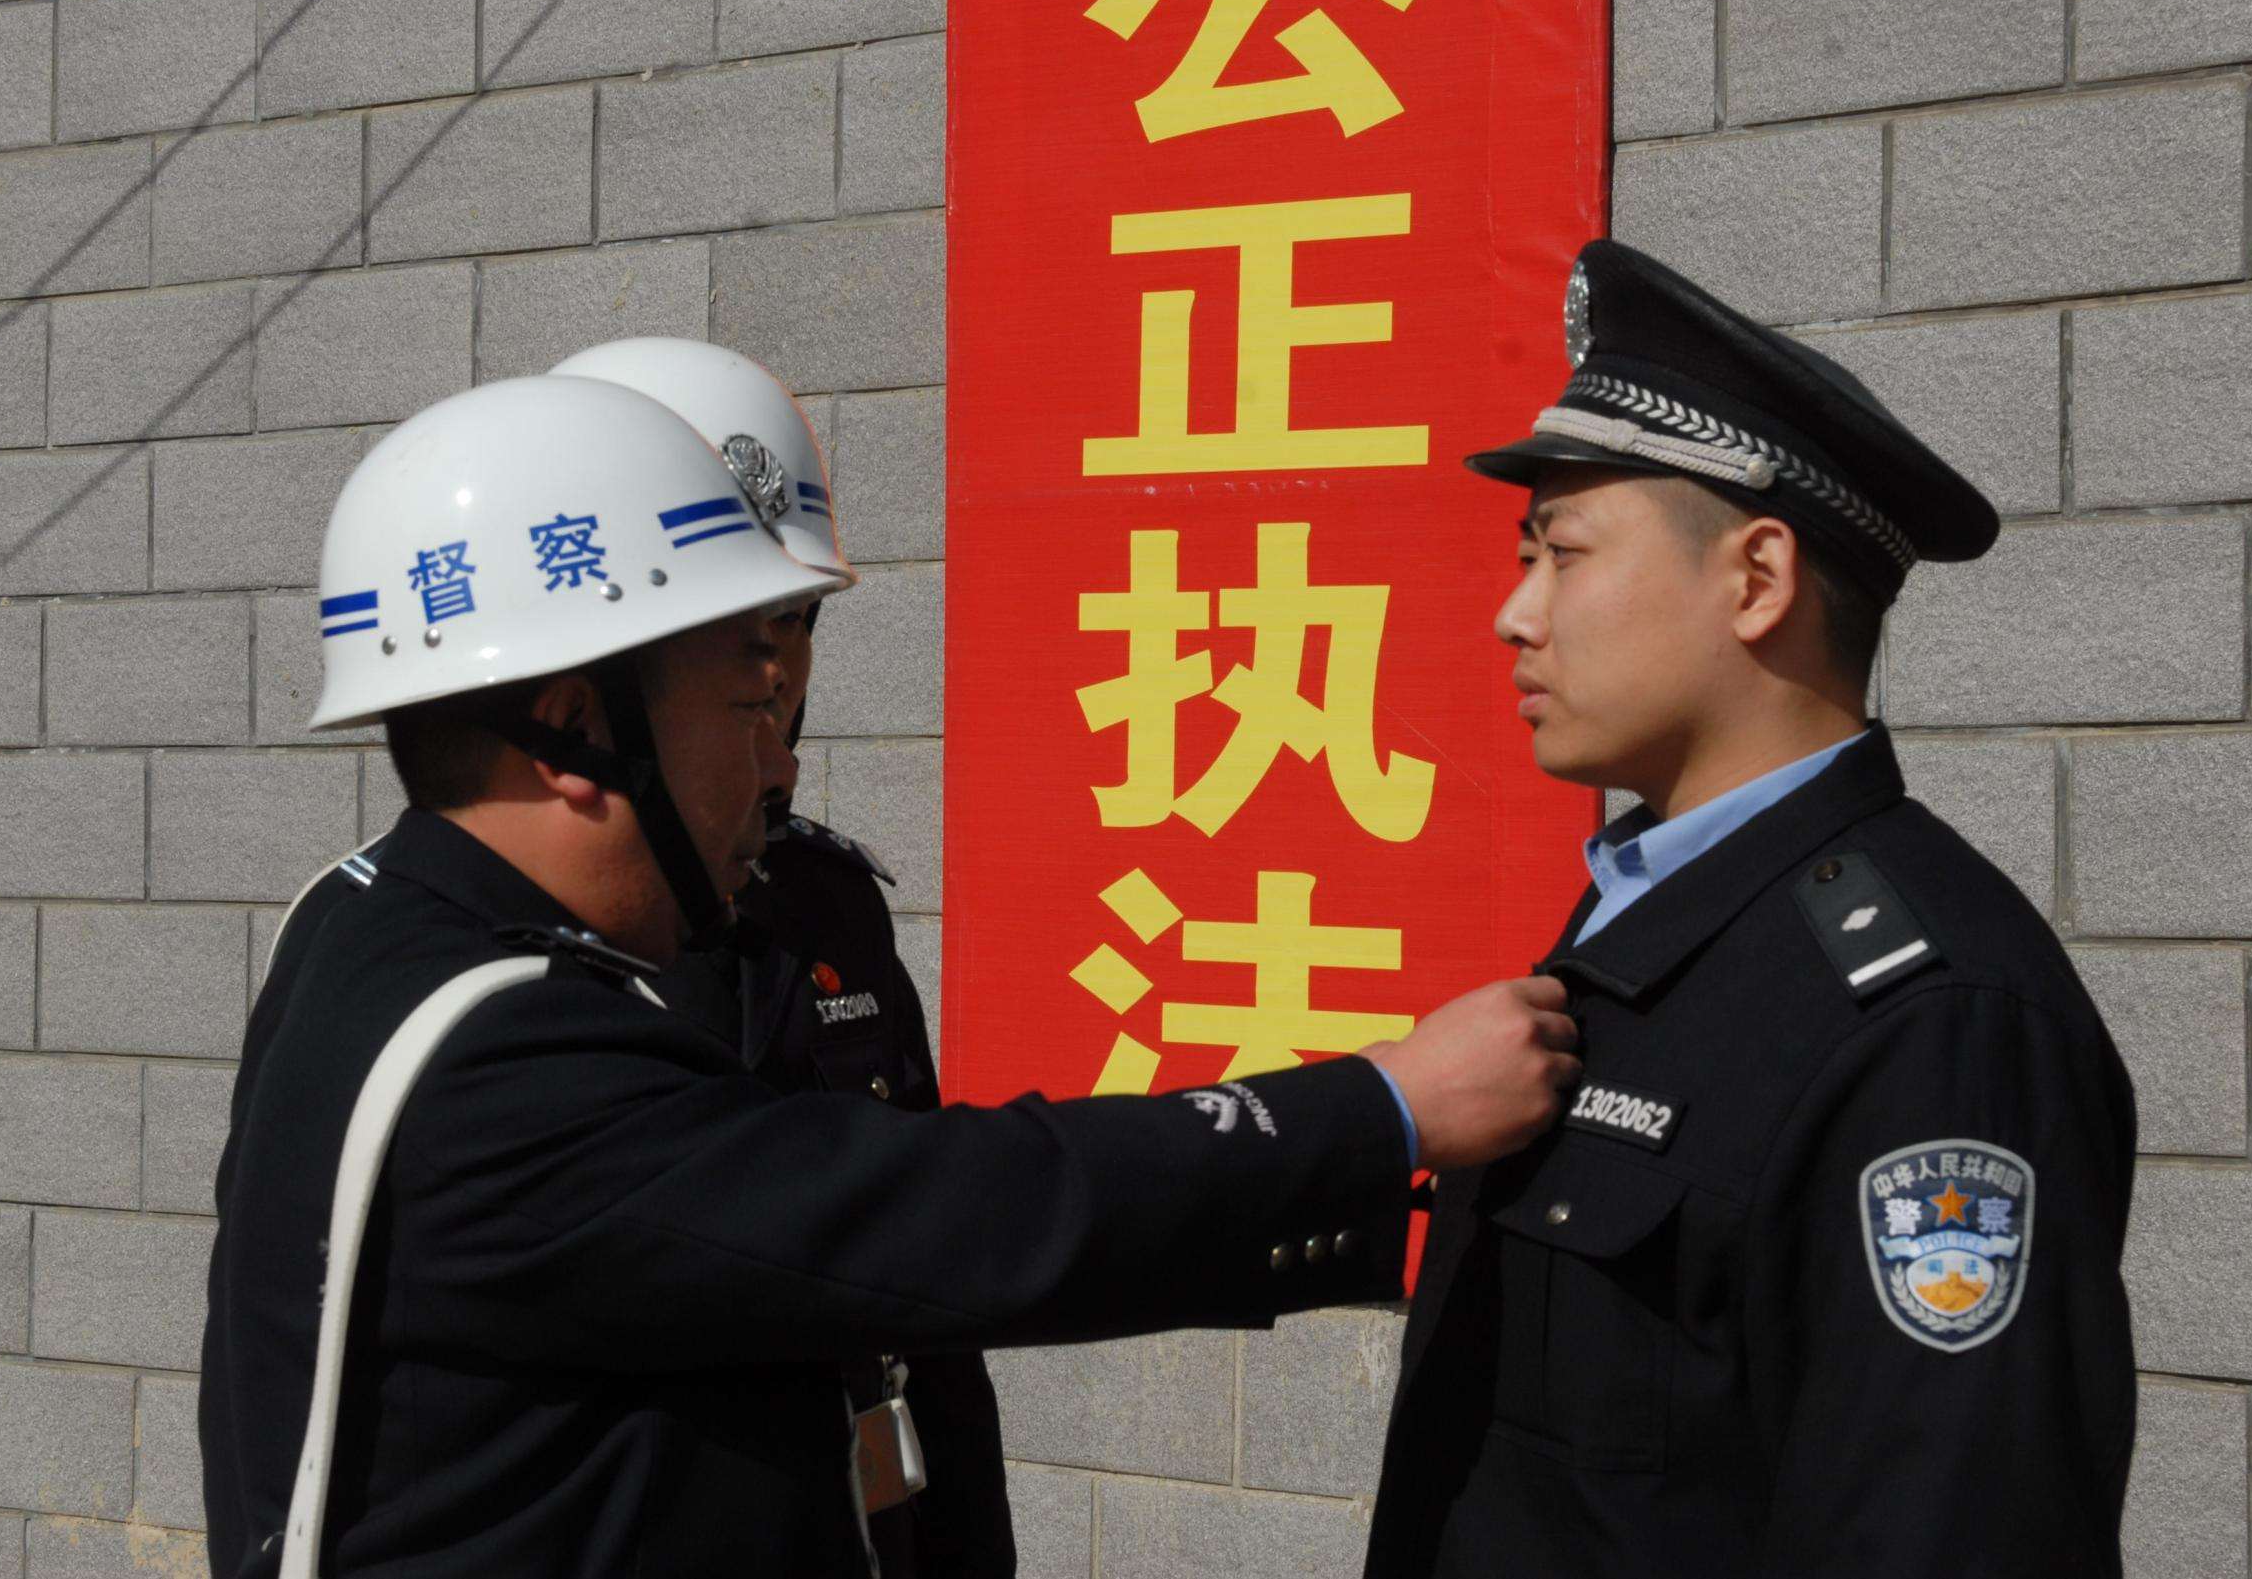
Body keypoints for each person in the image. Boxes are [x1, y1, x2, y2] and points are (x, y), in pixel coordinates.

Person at [201, 372, 1582, 1577]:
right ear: (575, 733)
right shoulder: (508, 1071)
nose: (777, 762)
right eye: (747, 706)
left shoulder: (368, 928)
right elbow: (948, 1209)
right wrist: (1381, 1106)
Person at [1362, 241, 2138, 1578]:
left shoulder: (1935, 1023)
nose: (1513, 615)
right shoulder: (1660, 913)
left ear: (1757, 579)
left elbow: (1946, 1527)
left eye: (1562, 555)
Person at [551, 336, 1012, 1576]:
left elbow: (926, 1289)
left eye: (793, 622)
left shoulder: (826, 903)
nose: (773, 670)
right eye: (732, 631)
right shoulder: (483, 953)